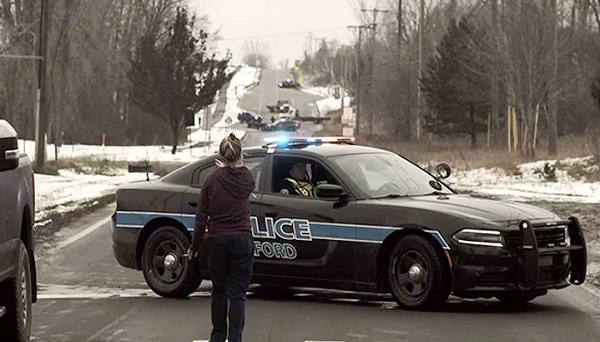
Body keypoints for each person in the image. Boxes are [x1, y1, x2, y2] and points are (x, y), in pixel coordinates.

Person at [187, 133, 255, 342]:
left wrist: (194, 246)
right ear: (240, 154)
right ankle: (235, 338)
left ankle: (218, 335)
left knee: (219, 291)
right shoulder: (247, 179)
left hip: (217, 241)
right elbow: (242, 176)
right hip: (242, 239)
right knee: (238, 294)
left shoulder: (211, 180)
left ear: (220, 156)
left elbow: (201, 217)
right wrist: (229, 169)